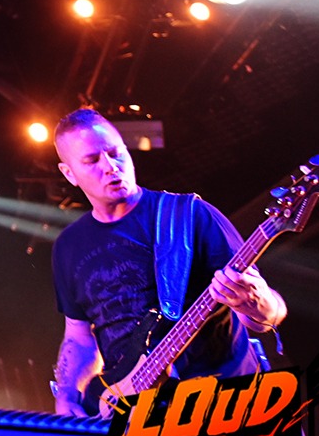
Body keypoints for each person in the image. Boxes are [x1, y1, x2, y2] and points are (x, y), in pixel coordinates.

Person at [49, 108, 284, 418]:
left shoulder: (187, 215)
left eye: (116, 154)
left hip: (225, 404)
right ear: (69, 173)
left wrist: (252, 302)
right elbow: (79, 336)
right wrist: (66, 395)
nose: (110, 167)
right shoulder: (68, 246)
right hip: (136, 417)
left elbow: (270, 315)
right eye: (92, 161)